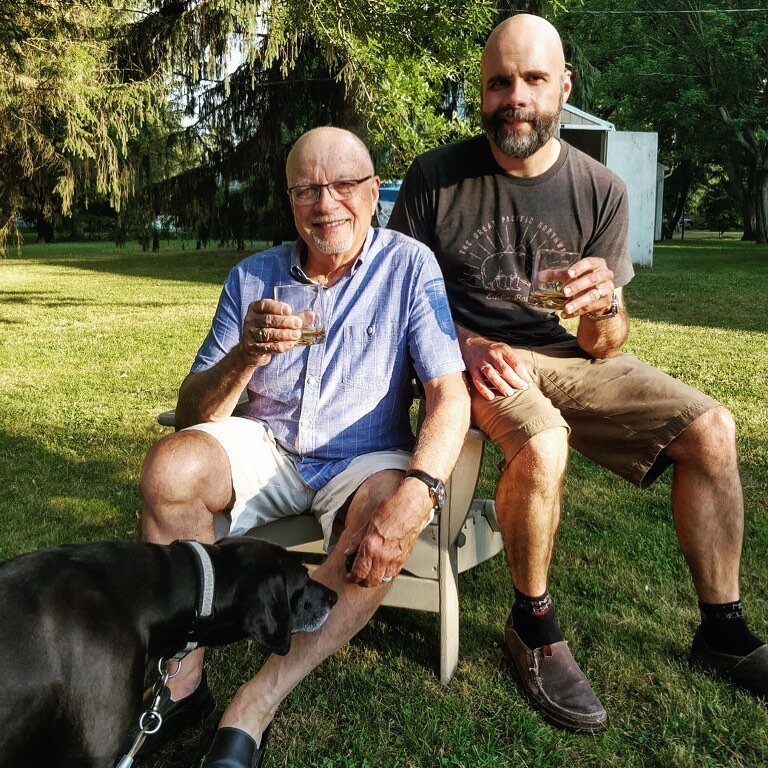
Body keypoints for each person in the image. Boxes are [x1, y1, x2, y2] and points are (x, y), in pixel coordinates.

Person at [388, 13, 768, 732]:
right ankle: (532, 624)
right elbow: (399, 300)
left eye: (533, 79)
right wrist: (462, 343)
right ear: (481, 92)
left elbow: (603, 344)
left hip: (567, 357)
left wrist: (605, 307)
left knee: (714, 428)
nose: (516, 97)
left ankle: (722, 628)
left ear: (564, 86)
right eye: (499, 82)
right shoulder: (437, 177)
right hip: (473, 355)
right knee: (542, 440)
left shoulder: (600, 190)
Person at [137, 126, 470, 767]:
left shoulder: (407, 266)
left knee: (381, 507)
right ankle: (182, 685)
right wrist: (247, 353)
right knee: (169, 470)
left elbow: (448, 395)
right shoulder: (252, 277)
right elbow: (192, 416)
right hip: (270, 445)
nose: (327, 203)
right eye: (308, 189)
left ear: (374, 193)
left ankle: (255, 703)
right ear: (291, 203)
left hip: (364, 454)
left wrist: (418, 494)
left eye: (344, 185)